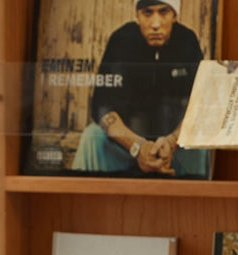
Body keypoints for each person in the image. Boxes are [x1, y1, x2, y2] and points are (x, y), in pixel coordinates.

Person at [72, 0, 209, 177]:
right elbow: (102, 106)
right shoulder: (121, 39)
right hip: (126, 146)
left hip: (174, 146)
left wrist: (171, 141)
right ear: (137, 16)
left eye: (163, 12)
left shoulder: (187, 40)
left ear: (174, 15)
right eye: (147, 13)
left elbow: (200, 104)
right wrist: (138, 147)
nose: (155, 24)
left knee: (199, 143)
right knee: (92, 136)